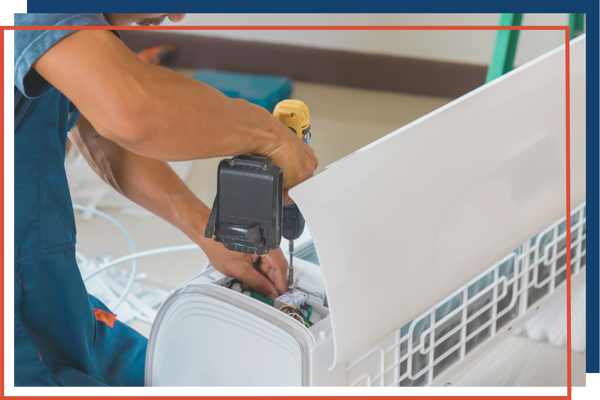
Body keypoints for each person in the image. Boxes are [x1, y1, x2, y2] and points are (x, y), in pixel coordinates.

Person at [10, 12, 318, 389]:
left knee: (174, 372)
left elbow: (99, 128)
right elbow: (130, 110)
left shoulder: (80, 33)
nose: (175, 14)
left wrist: (207, 230)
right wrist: (270, 135)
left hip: (46, 286)